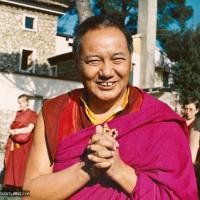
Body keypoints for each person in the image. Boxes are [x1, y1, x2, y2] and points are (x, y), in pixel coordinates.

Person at [23, 16, 197, 199]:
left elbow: (179, 196)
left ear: (130, 62)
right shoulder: (55, 112)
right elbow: (27, 194)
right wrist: (87, 168)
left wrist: (118, 170)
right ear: (77, 64)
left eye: (117, 59)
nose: (106, 72)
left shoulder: (160, 121)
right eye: (93, 61)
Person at [3, 94, 37, 191]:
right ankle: (11, 185)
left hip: (24, 144)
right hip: (14, 142)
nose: (19, 105)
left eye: (21, 103)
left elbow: (29, 129)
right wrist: (11, 131)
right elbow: (10, 126)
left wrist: (16, 131)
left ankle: (20, 186)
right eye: (19, 103)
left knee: (21, 164)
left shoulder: (33, 114)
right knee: (12, 164)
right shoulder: (17, 113)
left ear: (26, 102)